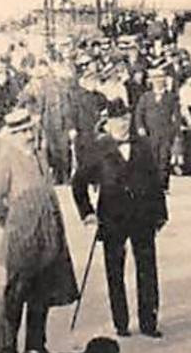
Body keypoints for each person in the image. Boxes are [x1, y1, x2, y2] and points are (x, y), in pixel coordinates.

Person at [0, 107, 80, 353]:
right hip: (23, 241)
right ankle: (6, 352)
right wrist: (13, 223)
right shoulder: (6, 160)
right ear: (12, 135)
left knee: (42, 295)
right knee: (15, 297)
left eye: (30, 130)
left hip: (47, 238)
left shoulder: (39, 155)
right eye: (22, 132)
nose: (28, 135)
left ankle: (35, 348)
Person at [72, 100, 167, 338]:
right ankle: (121, 323)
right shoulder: (97, 148)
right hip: (112, 218)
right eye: (117, 120)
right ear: (108, 123)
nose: (123, 124)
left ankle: (149, 322)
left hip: (143, 217)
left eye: (126, 119)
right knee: (115, 272)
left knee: (147, 270)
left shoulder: (143, 145)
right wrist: (88, 213)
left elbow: (155, 181)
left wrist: (160, 213)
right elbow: (78, 182)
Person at [132, 65, 180, 186]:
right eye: (155, 80)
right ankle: (152, 184)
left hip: (165, 132)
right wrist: (140, 127)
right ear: (151, 82)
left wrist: (175, 132)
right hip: (150, 132)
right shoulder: (146, 97)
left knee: (164, 158)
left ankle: (163, 183)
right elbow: (139, 113)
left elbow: (176, 116)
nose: (158, 82)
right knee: (151, 158)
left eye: (161, 79)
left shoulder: (171, 97)